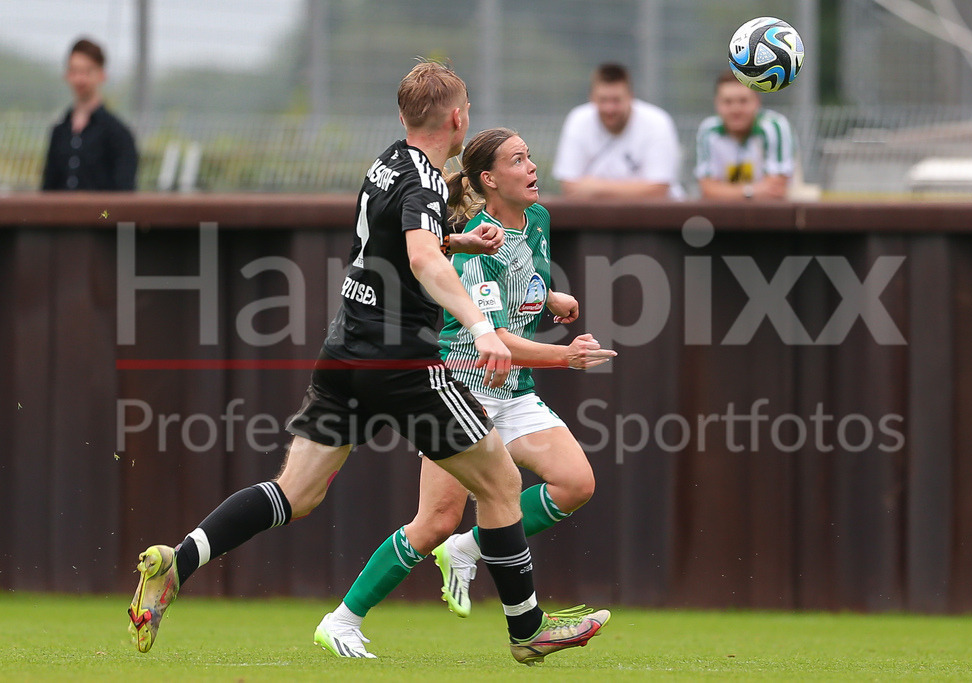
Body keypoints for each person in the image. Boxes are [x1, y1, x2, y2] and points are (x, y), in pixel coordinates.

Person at [127, 61, 609, 666]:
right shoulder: (428, 185)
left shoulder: (387, 163)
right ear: (457, 118)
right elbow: (422, 260)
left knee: (295, 492)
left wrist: (456, 241)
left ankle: (180, 559)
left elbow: (396, 241)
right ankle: (527, 630)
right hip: (404, 365)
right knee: (503, 483)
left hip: (345, 352)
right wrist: (483, 327)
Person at [312, 128, 616, 660]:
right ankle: (342, 620)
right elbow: (493, 339)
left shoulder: (538, 220)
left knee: (576, 483)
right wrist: (566, 355)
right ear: (488, 180)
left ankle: (470, 549)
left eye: (530, 155)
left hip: (513, 389)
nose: (532, 166)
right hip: (461, 386)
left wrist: (551, 297)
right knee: (434, 521)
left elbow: (522, 281)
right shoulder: (477, 241)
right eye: (518, 160)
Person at [552, 63, 684, 199]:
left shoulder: (657, 122)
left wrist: (593, 187)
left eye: (616, 100)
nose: (609, 109)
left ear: (630, 97)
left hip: (653, 217)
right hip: (596, 217)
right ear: (591, 98)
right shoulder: (578, 120)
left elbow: (658, 190)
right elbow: (569, 188)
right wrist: (636, 189)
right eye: (603, 100)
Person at [42, 37, 138, 191]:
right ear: (67, 75)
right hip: (61, 215)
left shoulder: (119, 134)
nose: (80, 79)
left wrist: (101, 216)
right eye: (74, 71)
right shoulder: (59, 132)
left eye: (87, 71)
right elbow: (47, 189)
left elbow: (123, 199)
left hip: (102, 215)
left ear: (101, 75)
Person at [695, 71, 795, 200]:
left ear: (757, 102)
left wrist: (724, 191)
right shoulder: (709, 131)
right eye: (727, 102)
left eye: (743, 101)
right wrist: (751, 192)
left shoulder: (773, 127)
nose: (735, 109)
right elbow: (707, 190)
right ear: (717, 104)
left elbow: (776, 189)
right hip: (725, 214)